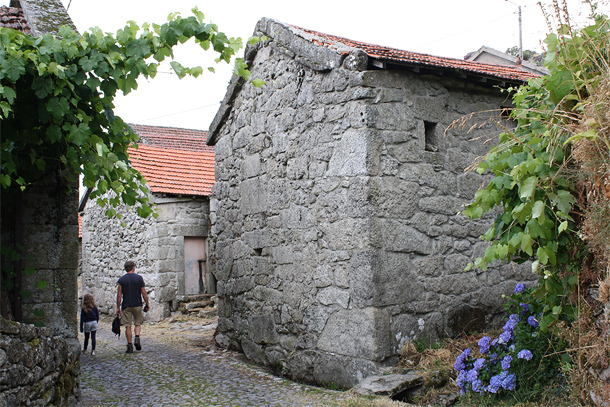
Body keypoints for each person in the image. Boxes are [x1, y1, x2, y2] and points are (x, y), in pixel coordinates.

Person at [116, 260, 150, 354]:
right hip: (137, 304)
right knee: (137, 323)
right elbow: (143, 292)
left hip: (126, 305)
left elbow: (119, 295)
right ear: (133, 268)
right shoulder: (139, 278)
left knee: (128, 325)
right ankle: (137, 338)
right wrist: (147, 303)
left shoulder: (121, 280)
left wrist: (118, 307)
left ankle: (129, 345)